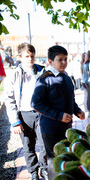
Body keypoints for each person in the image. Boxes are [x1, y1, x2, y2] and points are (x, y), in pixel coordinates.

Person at [31, 45, 85, 178]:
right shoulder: (44, 78)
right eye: (60, 59)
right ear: (50, 61)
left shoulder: (66, 77)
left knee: (66, 158)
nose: (64, 63)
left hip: (66, 127)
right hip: (50, 129)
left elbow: (70, 99)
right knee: (55, 162)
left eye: (66, 59)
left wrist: (77, 111)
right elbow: (35, 103)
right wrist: (59, 115)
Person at [4, 43, 48, 180]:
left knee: (44, 145)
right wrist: (15, 121)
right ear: (20, 57)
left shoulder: (42, 72)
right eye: (27, 56)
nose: (30, 59)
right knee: (28, 146)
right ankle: (33, 171)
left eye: (32, 56)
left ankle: (45, 170)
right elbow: (9, 99)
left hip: (40, 114)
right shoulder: (14, 75)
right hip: (24, 114)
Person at [81, 50, 90, 118]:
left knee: (88, 98)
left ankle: (89, 112)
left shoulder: (83, 64)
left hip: (84, 81)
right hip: (89, 81)